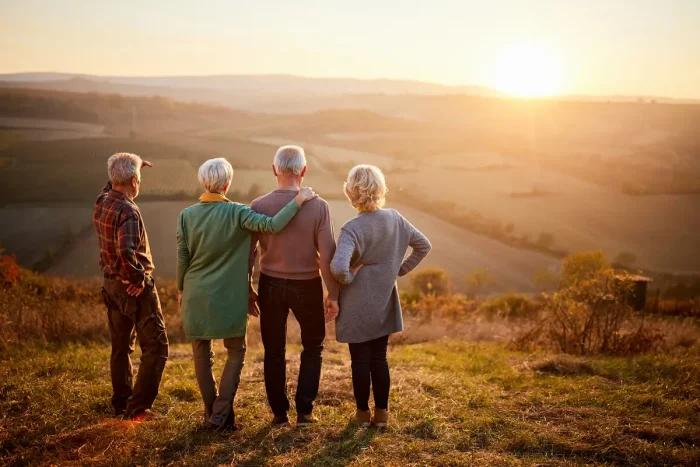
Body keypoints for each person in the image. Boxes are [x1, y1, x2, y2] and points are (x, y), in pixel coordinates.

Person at [177, 157, 316, 430]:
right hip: (230, 295)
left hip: (195, 292)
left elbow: (183, 256)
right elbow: (274, 226)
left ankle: (214, 414)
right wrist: (299, 200)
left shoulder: (186, 215)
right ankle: (219, 416)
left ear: (204, 182)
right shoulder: (239, 213)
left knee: (201, 353)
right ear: (228, 183)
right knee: (235, 351)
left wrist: (182, 289)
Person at [330, 164, 431, 428]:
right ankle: (382, 416)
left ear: (351, 192)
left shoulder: (351, 229)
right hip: (384, 301)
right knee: (379, 358)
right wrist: (398, 270)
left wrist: (351, 276)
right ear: (380, 189)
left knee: (360, 361)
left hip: (355, 306)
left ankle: (362, 415)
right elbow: (424, 245)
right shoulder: (396, 219)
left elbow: (339, 269)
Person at [248, 145, 340, 427]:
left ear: (275, 170)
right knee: (312, 347)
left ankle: (278, 414)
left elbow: (248, 253)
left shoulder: (258, 206)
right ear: (303, 171)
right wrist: (333, 294)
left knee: (273, 349)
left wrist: (246, 288)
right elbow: (327, 257)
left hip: (270, 284)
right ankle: (304, 412)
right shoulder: (319, 206)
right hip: (308, 284)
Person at [94, 153, 169, 420]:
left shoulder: (103, 200)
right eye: (139, 178)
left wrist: (135, 162)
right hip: (132, 289)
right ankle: (138, 409)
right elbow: (126, 252)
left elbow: (111, 182)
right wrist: (140, 279)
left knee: (121, 345)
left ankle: (121, 402)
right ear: (134, 180)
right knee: (157, 347)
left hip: (110, 286)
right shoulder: (128, 210)